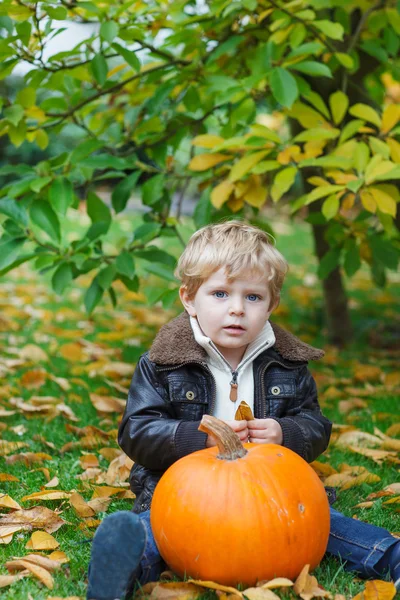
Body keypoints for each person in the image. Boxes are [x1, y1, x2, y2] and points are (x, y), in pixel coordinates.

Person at [87, 220, 400, 600]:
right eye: (220, 294)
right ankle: (121, 566)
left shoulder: (288, 363)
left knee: (322, 524)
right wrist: (193, 438)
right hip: (186, 499)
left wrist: (286, 433)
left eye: (252, 297)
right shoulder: (162, 363)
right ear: (189, 298)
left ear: (272, 305)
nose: (237, 309)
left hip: (275, 497)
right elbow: (136, 430)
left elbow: (315, 424)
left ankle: (390, 557)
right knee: (161, 533)